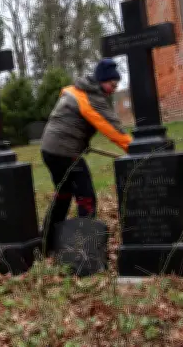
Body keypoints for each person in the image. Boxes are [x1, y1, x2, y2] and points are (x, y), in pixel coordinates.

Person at [39, 58, 133, 253]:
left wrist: (81, 142)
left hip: (49, 150)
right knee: (86, 197)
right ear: (101, 80)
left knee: (63, 194)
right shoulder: (92, 98)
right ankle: (84, 248)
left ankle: (45, 244)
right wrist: (135, 149)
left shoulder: (76, 90)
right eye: (112, 84)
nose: (113, 89)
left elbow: (70, 121)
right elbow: (113, 129)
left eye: (116, 86)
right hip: (65, 152)